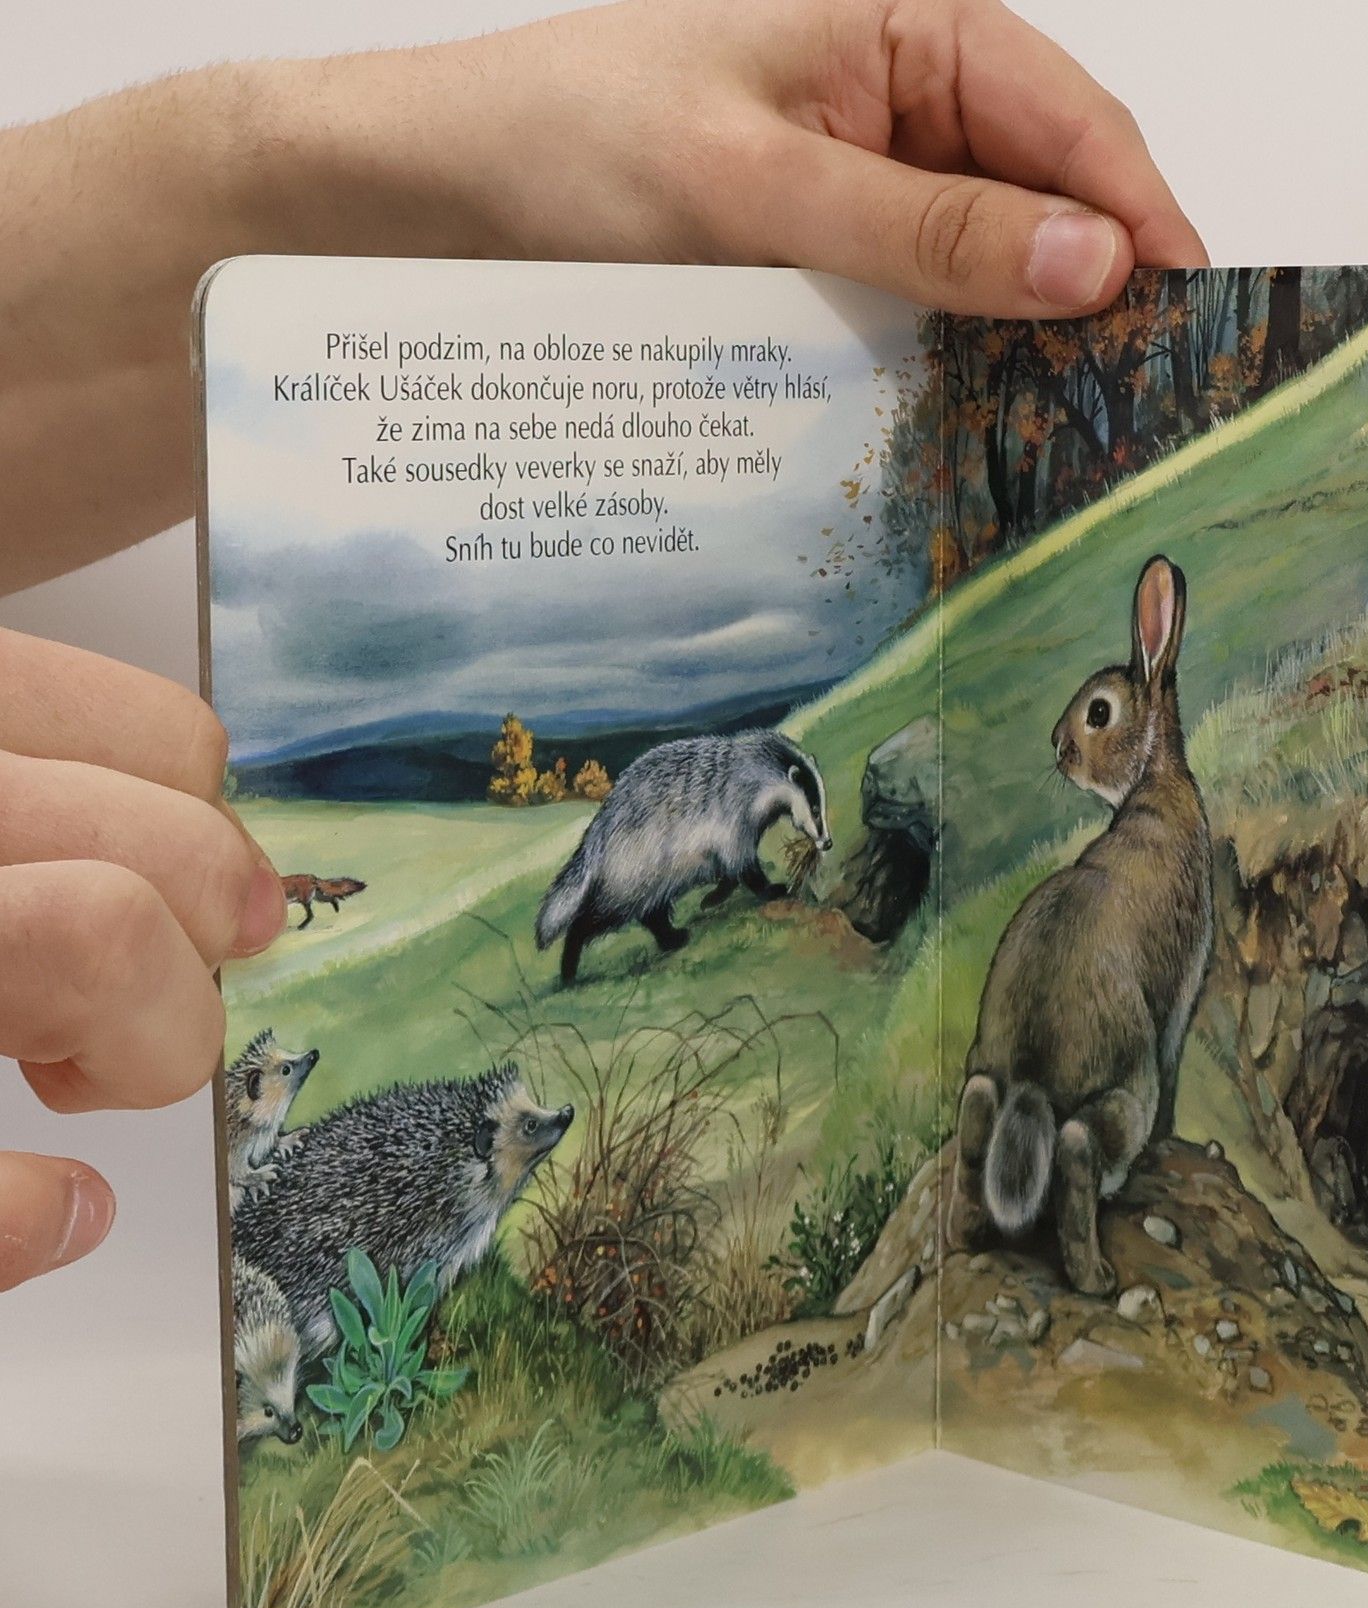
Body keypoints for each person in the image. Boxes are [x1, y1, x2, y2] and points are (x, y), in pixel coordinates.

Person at [0, 0, 1205, 1292]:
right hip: (647, 837)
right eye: (800, 811)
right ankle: (590, 945)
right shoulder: (745, 794)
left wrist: (424, 199)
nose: (805, 828)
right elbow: (729, 844)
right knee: (625, 892)